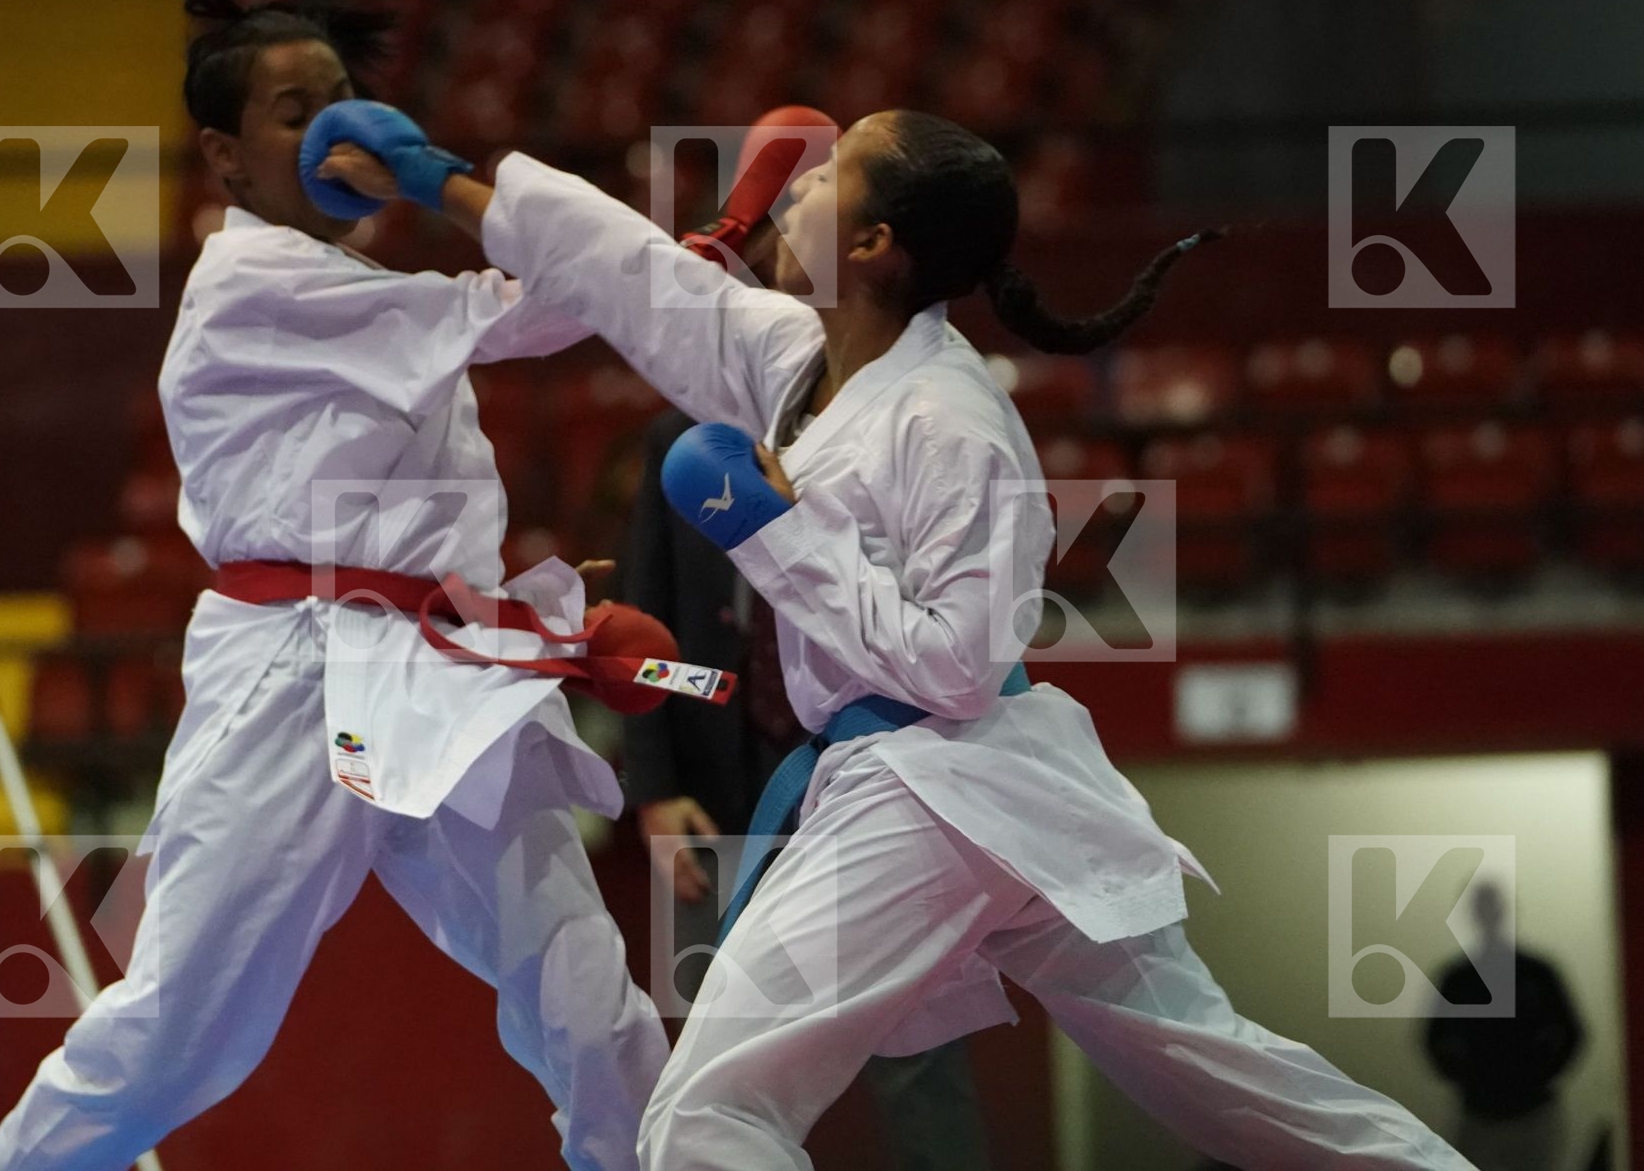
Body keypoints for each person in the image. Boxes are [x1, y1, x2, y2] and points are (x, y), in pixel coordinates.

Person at [306, 102, 1475, 1169]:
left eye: (827, 181)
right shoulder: (798, 362)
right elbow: (639, 280)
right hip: (979, 792)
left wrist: (775, 533)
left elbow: (958, 666)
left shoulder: (954, 421)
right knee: (1215, 1067)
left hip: (931, 777)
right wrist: (448, 183)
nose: (799, 186)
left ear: (873, 248)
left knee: (708, 1112)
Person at [0, 0, 668, 1169]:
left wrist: (510, 609)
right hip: (292, 682)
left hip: (441, 668)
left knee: (588, 999)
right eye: (296, 115)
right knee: (181, 1034)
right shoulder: (255, 281)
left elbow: (427, 502)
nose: (339, 135)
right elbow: (533, 312)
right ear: (225, 158)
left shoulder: (369, 301)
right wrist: (470, 188)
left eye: (347, 104)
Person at [625, 408, 993, 1171]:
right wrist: (653, 789)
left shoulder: (889, 419)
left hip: (876, 771)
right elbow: (646, 617)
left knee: (917, 1053)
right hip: (714, 791)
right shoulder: (680, 440)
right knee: (708, 1063)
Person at [1426, 882, 1585, 1171]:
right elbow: (1433, 1040)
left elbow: (1573, 1033)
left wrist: (1541, 1073)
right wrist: (1468, 1078)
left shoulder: (1536, 973)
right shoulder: (1459, 978)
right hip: (1480, 1112)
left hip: (1531, 1111)